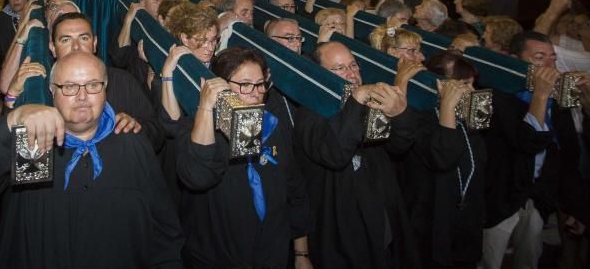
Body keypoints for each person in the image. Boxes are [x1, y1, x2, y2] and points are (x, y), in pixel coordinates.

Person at [0, 51, 185, 267]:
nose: (82, 96)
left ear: (106, 89)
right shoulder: (36, 145)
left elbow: (164, 232)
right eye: (70, 87)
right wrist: (12, 121)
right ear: (52, 91)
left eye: (93, 85)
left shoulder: (133, 145)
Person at [169, 46, 313, 268]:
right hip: (214, 259)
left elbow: (294, 191)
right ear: (220, 86)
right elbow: (198, 176)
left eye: (260, 84)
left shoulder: (273, 126)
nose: (256, 92)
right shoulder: (195, 128)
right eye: (245, 85)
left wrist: (301, 254)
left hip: (270, 256)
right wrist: (206, 108)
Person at [296, 41, 421, 268]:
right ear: (321, 75)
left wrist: (400, 113)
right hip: (342, 243)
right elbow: (334, 154)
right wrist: (356, 100)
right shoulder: (310, 113)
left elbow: (399, 146)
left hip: (384, 232)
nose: (352, 73)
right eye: (340, 68)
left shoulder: (368, 105)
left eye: (354, 65)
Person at [480, 30, 586, 269]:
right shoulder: (495, 96)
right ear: (515, 60)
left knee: (528, 261)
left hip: (536, 196)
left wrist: (577, 206)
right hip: (500, 197)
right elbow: (527, 143)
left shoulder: (558, 98)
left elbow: (569, 154)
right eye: (539, 58)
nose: (549, 65)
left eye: (552, 58)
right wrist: (540, 94)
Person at [402, 51, 486, 269]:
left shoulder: (469, 115)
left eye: (472, 84)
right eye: (464, 84)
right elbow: (443, 158)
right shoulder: (421, 117)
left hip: (466, 227)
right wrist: (447, 106)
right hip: (432, 228)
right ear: (440, 84)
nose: (472, 91)